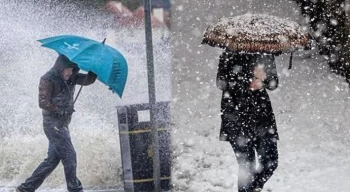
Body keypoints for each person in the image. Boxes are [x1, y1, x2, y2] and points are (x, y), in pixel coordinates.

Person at [16, 55, 97, 192]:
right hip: (53, 124)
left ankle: (26, 188)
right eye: (68, 70)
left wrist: (93, 69)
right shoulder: (47, 79)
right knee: (70, 155)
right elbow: (43, 103)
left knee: (52, 160)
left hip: (63, 124)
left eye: (73, 70)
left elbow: (88, 80)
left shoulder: (71, 77)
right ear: (61, 68)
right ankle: (75, 189)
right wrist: (60, 111)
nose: (70, 73)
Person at [216, 52, 279, 192]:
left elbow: (274, 83)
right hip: (236, 117)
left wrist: (264, 79)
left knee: (271, 162)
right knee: (247, 166)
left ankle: (254, 187)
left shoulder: (265, 52)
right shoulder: (229, 53)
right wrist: (248, 78)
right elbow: (221, 83)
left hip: (262, 117)